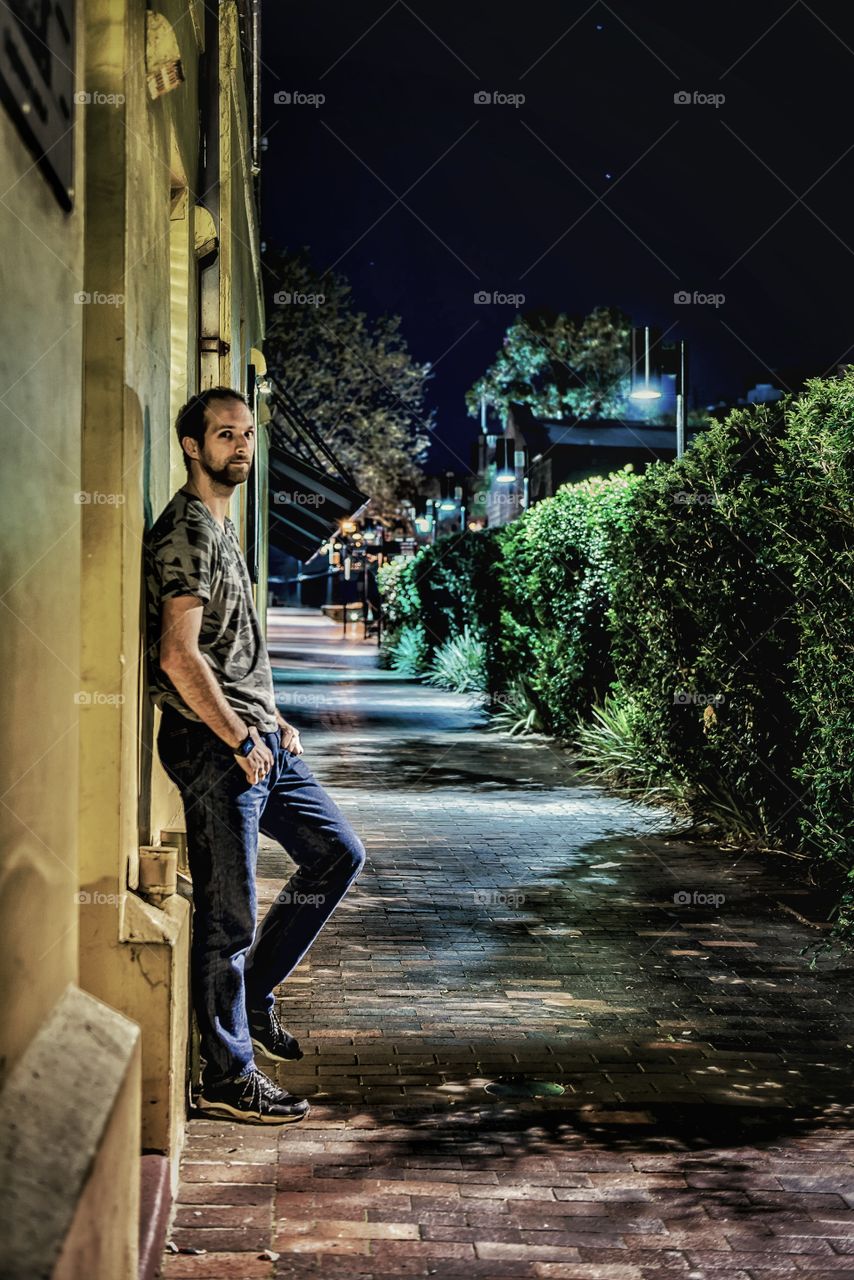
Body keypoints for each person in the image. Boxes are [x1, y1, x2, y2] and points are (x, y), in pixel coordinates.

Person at [143, 387, 366, 1124]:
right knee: (227, 917)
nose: (241, 446)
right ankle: (226, 1077)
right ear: (192, 445)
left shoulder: (224, 523)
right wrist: (239, 736)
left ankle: (256, 996)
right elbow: (178, 656)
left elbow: (227, 651)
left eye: (246, 434)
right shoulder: (186, 532)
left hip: (256, 736)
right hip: (216, 748)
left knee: (336, 853)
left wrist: (269, 717)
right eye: (224, 435)